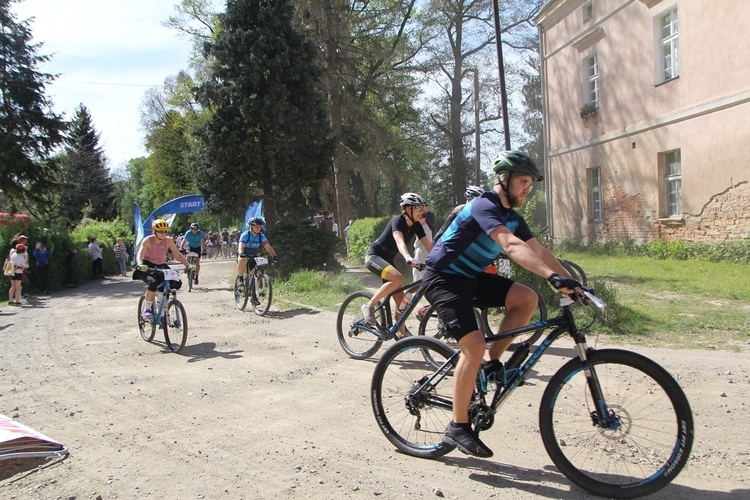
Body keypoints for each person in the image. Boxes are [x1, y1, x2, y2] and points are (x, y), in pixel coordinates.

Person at [421, 151, 582, 458]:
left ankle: (491, 364)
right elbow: (510, 245)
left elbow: (539, 250)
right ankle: (457, 425)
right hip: (443, 278)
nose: (527, 188)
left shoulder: (513, 216)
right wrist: (551, 277)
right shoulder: (484, 205)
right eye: (523, 181)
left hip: (470, 277)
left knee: (526, 298)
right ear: (504, 180)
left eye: (530, 184)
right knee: (473, 345)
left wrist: (571, 280)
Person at [360, 193, 433, 331]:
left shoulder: (417, 226)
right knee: (398, 278)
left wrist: (443, 260)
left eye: (422, 208)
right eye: (418, 208)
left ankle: (400, 333)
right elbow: (399, 241)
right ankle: (369, 305)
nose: (421, 212)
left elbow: (429, 247)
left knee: (400, 299)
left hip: (387, 260)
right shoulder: (397, 221)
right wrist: (408, 257)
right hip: (374, 257)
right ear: (407, 208)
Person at [134, 219, 194, 320]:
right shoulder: (148, 240)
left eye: (165, 231)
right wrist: (140, 264)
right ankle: (147, 309)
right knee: (153, 283)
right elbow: (140, 254)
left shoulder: (168, 241)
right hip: (147, 266)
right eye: (160, 231)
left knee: (175, 282)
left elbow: (178, 255)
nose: (163, 234)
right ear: (154, 231)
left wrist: (188, 265)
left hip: (161, 265)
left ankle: (162, 305)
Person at [412, 205, 436, 282]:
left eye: (421, 218)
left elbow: (419, 240)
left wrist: (415, 246)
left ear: (424, 218)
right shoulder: (428, 227)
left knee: (418, 272)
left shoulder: (423, 227)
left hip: (421, 250)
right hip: (426, 250)